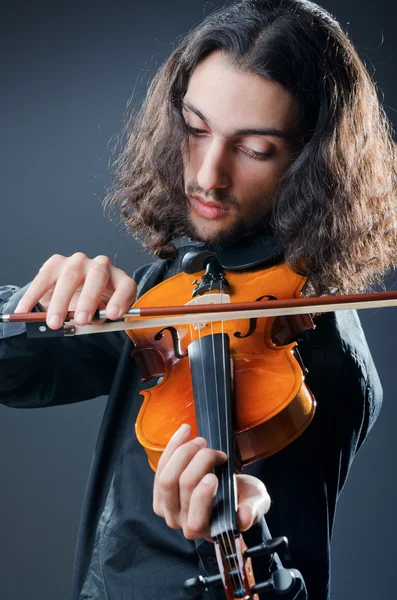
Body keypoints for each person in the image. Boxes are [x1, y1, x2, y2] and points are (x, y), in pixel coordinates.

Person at [0, 0, 396, 598]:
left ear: (312, 165)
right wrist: (40, 305)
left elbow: (291, 583)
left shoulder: (320, 359)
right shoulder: (185, 285)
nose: (208, 174)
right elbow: (18, 374)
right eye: (195, 127)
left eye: (255, 149)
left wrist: (246, 544)